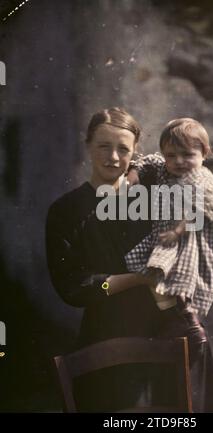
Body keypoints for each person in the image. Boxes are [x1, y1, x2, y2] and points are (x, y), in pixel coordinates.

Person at [46, 107, 163, 412]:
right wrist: (138, 278)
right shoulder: (66, 211)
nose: (113, 157)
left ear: (134, 152)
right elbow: (73, 288)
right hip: (103, 338)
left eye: (123, 149)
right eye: (103, 146)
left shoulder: (152, 201)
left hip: (161, 333)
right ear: (87, 145)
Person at [125, 118, 213, 411]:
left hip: (197, 232)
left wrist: (176, 231)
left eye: (188, 155)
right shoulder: (164, 166)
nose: (179, 161)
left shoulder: (201, 179)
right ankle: (174, 304)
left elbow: (197, 212)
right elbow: (150, 161)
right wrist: (133, 173)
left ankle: (184, 304)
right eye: (172, 155)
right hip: (172, 229)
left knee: (181, 263)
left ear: (204, 154)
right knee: (157, 261)